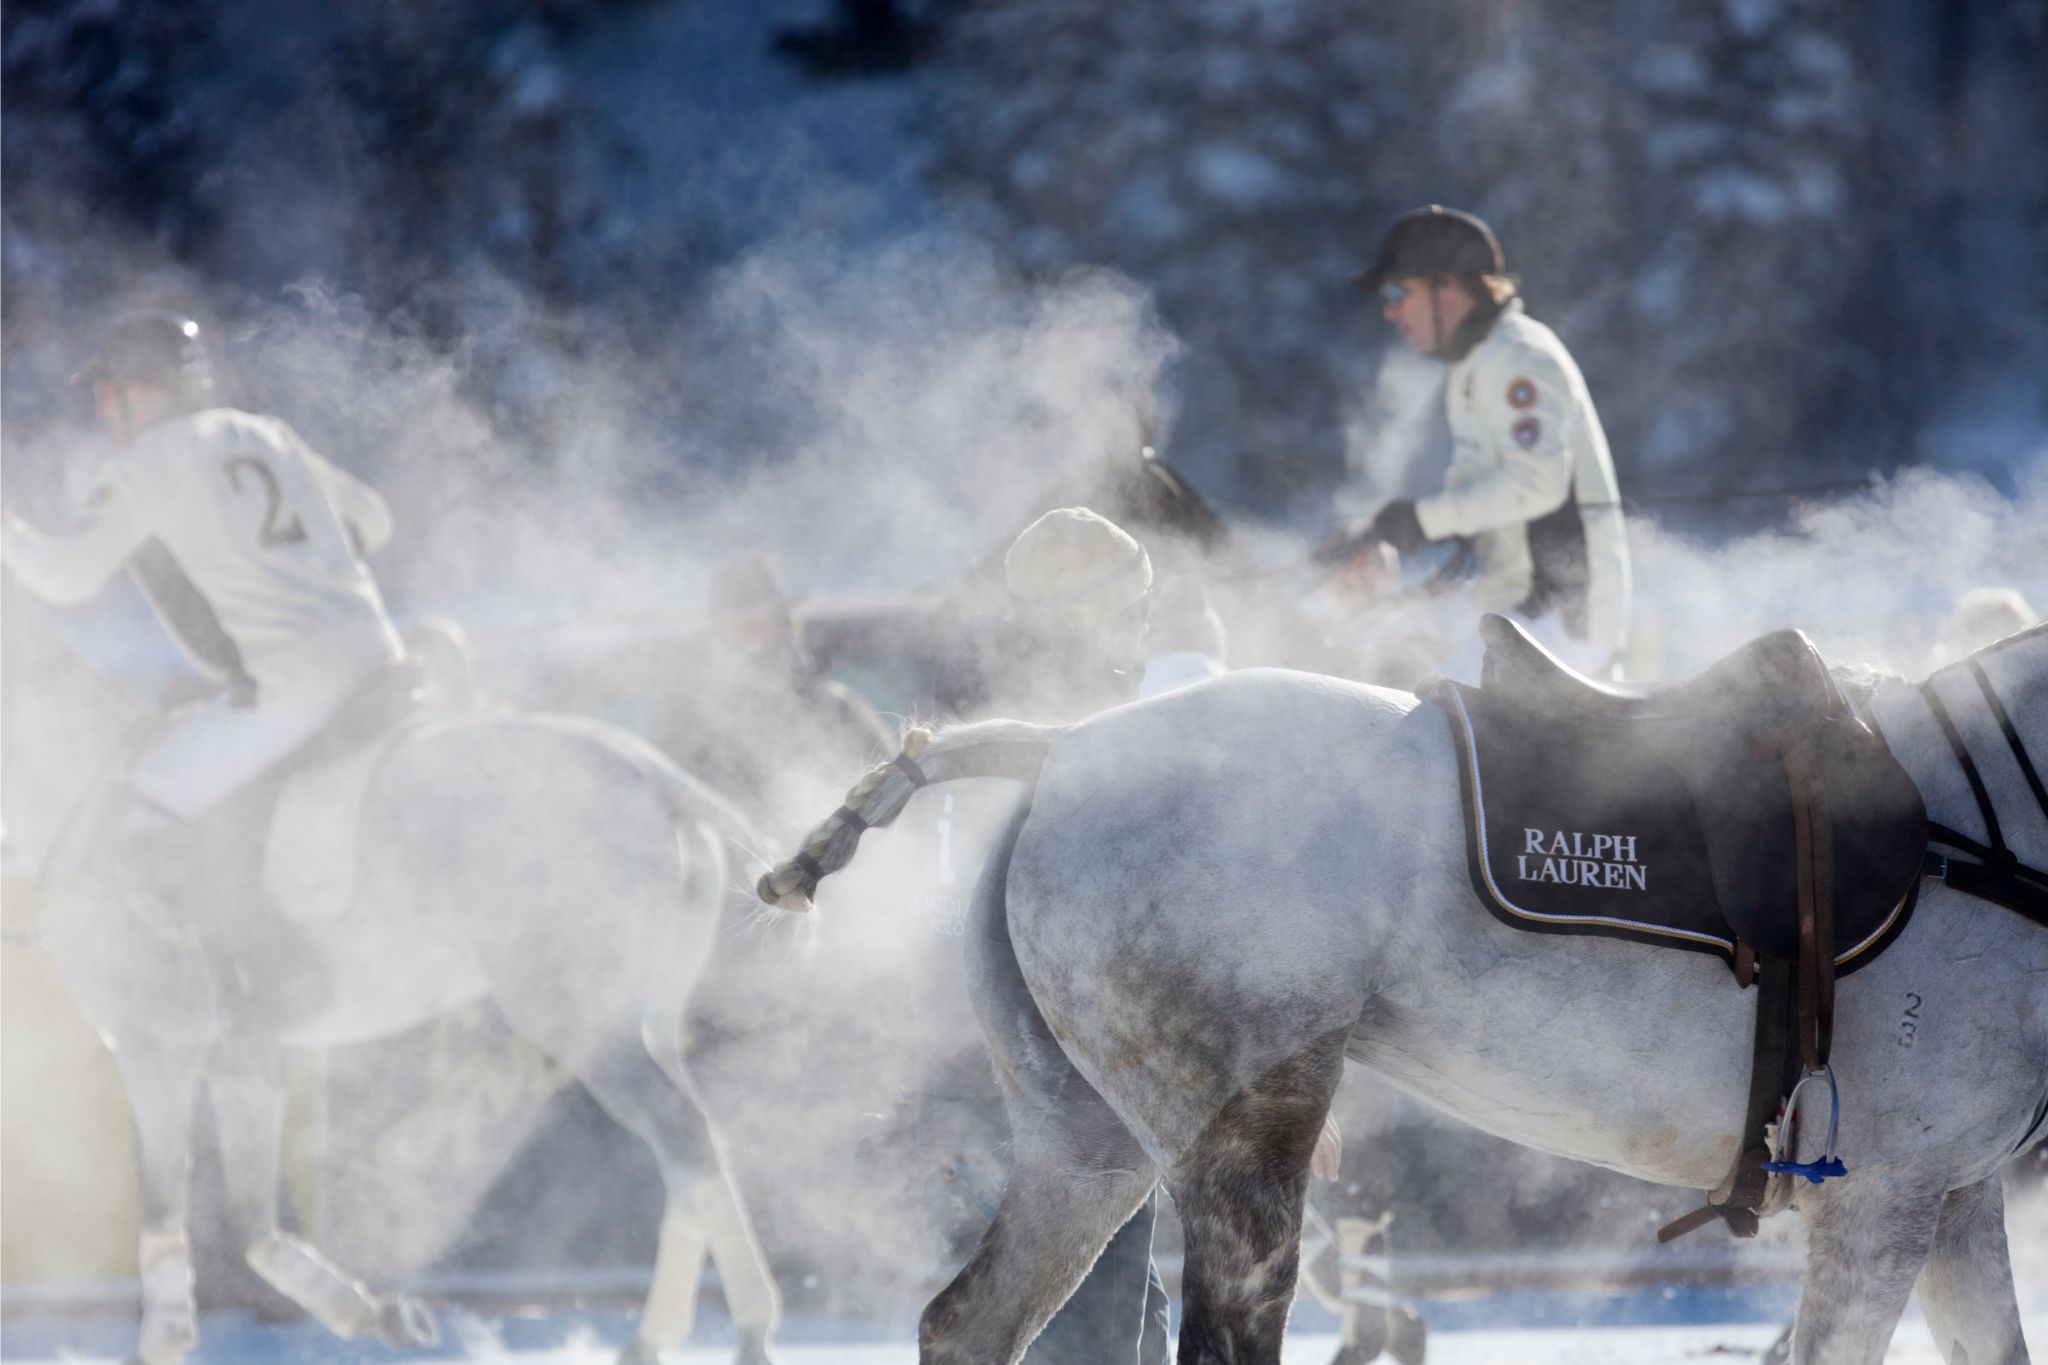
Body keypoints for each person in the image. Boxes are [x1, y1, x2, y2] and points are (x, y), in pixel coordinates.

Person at [2, 308, 409, 1023]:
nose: (101, 406)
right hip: (379, 655)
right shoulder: (265, 433)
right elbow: (374, 519)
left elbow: (67, 578)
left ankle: (273, 980)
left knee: (147, 806)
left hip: (292, 685)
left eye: (109, 389)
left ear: (146, 391)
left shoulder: (145, 462)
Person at [1338, 205, 1631, 678]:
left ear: (1447, 286)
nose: (1389, 312)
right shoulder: (1476, 364)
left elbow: (1536, 484)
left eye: (1397, 292)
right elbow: (1484, 499)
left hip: (1558, 630)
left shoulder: (1519, 356)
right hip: (1519, 622)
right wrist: (1385, 533)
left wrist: (1423, 520)